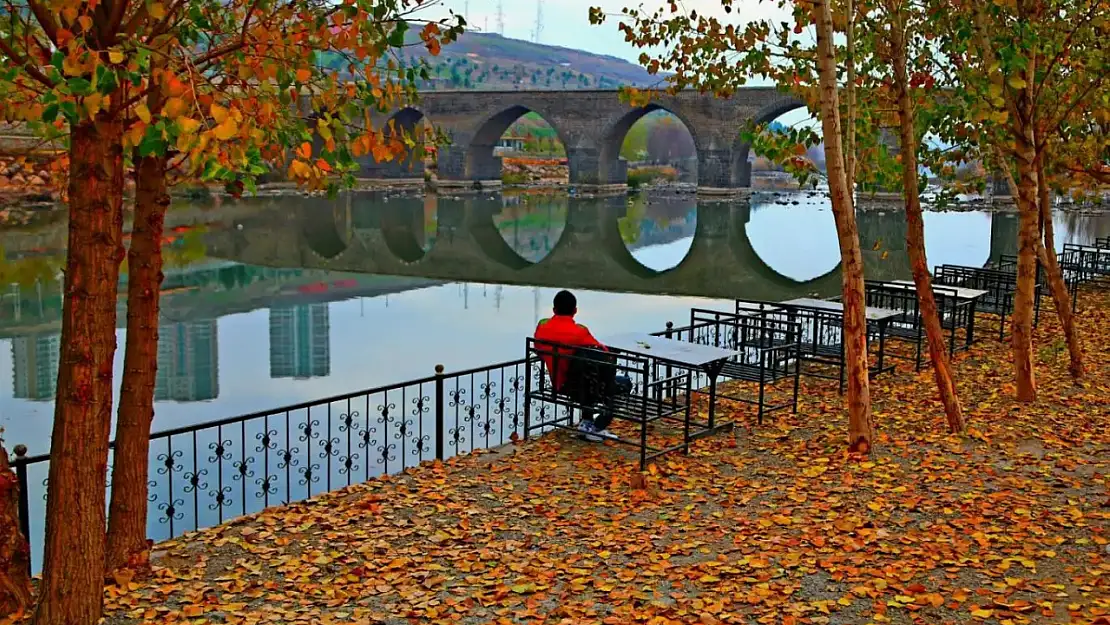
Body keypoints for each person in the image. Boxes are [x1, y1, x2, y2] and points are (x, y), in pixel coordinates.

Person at [534, 290, 632, 441]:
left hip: (559, 383)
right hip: (581, 386)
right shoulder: (579, 331)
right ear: (575, 311)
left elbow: (539, 350)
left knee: (586, 373)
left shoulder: (542, 326)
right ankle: (597, 427)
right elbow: (604, 353)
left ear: (554, 310)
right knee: (624, 383)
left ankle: (587, 422)